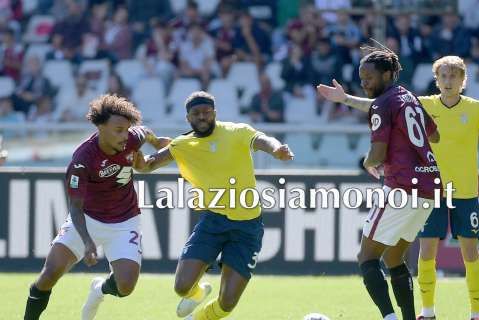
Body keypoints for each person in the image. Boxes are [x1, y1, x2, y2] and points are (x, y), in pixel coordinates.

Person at [317, 55, 479, 320]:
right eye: (444, 76)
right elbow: (389, 110)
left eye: (454, 76)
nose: (449, 81)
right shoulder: (419, 102)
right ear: (436, 79)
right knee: (417, 255)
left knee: (465, 255)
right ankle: (426, 313)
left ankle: (474, 314)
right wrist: (346, 98)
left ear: (464, 81)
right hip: (434, 191)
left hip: (452, 191)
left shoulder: (474, 109)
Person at [133, 91, 294, 320]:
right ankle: (198, 293)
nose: (202, 117)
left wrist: (277, 149)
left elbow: (263, 140)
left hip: (247, 227)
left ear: (215, 113)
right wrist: (136, 156)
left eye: (206, 112)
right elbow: (148, 165)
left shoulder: (236, 131)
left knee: (226, 303)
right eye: (196, 113)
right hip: (213, 220)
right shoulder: (183, 144)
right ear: (188, 118)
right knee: (181, 287)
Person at [23, 94, 171, 320]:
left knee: (126, 287)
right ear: (101, 127)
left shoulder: (132, 137)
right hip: (86, 220)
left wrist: (156, 141)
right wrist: (87, 241)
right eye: (118, 130)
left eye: (126, 129)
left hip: (125, 220)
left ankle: (99, 290)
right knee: (49, 274)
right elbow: (75, 207)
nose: (125, 135)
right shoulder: (83, 160)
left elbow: (144, 131)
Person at [323, 44, 441, 320]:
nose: (364, 83)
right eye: (362, 78)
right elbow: (434, 137)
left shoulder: (381, 104)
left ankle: (389, 317)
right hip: (429, 186)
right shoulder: (409, 98)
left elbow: (376, 153)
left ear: (388, 75)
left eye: (369, 78)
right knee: (394, 258)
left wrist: (367, 162)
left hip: (401, 186)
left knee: (367, 257)